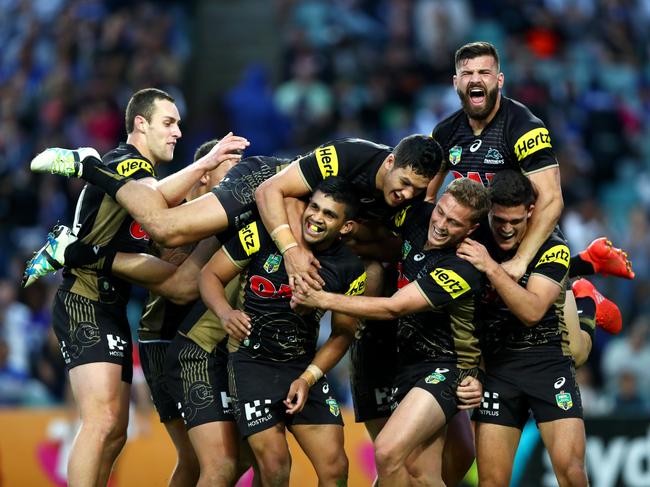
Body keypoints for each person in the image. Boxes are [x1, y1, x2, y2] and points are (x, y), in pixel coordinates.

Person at [38, 88, 242, 487]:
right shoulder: (124, 163)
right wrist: (208, 164)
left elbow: (160, 214)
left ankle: (77, 250)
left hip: (110, 302)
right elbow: (154, 206)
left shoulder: (146, 178)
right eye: (169, 123)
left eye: (180, 124)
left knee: (115, 432)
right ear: (140, 124)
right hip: (85, 297)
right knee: (101, 422)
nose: (177, 132)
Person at [28, 134, 441, 288]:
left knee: (184, 287)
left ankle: (74, 251)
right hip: (262, 185)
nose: (405, 194)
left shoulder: (405, 206)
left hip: (286, 222)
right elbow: (271, 191)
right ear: (389, 163)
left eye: (416, 190)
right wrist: (293, 250)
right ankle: (90, 165)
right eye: (403, 183)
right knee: (168, 231)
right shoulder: (352, 156)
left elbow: (383, 249)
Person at [291, 177, 490, 486]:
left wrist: (320, 299)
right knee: (423, 475)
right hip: (402, 365)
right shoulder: (418, 216)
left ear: (470, 231)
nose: (440, 224)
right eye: (441, 212)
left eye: (453, 223)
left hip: (443, 368)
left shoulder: (463, 267)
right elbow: (370, 216)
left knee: (387, 451)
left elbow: (394, 307)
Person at [200, 177, 366, 486]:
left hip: (302, 369)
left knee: (335, 468)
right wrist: (225, 313)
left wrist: (307, 378)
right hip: (252, 365)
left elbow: (342, 334)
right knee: (276, 467)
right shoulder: (263, 234)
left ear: (346, 227)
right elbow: (209, 275)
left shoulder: (350, 269)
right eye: (314, 207)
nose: (316, 218)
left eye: (329, 214)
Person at [430, 41, 633, 282]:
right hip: (480, 239)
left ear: (500, 80)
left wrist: (521, 260)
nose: (475, 80)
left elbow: (551, 200)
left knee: (534, 311)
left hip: (524, 240)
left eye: (484, 72)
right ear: (456, 83)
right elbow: (427, 197)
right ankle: (584, 264)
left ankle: (586, 298)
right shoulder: (444, 132)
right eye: (467, 74)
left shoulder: (524, 128)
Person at [456, 170, 588, 487]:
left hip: (547, 362)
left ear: (530, 211)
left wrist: (489, 266)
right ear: (489, 210)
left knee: (571, 473)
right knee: (490, 482)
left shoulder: (552, 245)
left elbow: (531, 311)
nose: (506, 229)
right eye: (499, 219)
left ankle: (588, 306)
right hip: (498, 368)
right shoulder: (473, 239)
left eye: (515, 221)